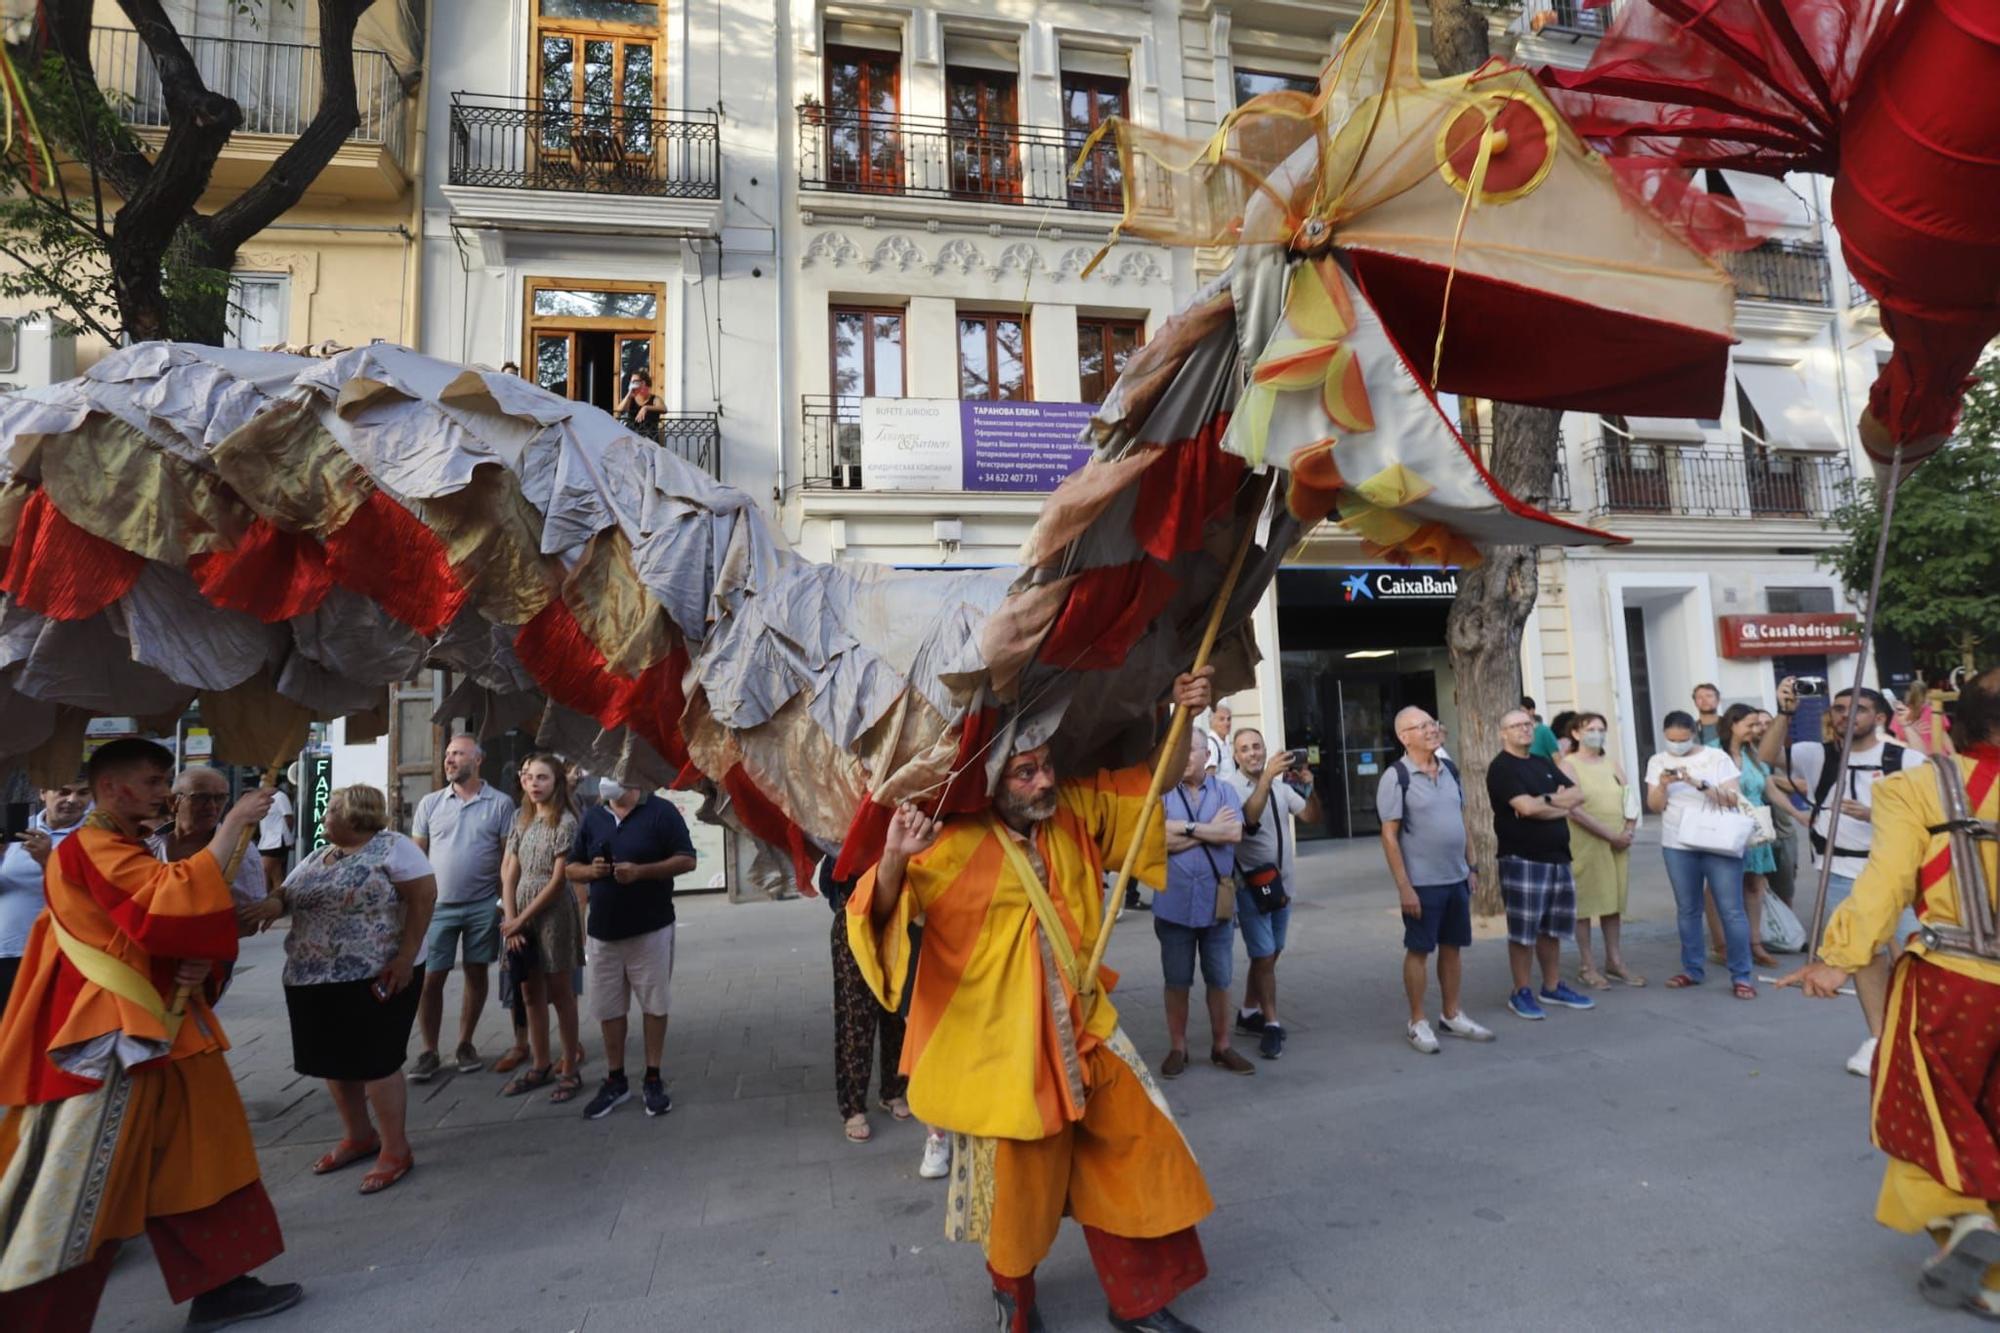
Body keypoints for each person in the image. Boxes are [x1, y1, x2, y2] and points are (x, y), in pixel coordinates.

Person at [847, 669, 1217, 1333]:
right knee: (1018, 1195)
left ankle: (1138, 1300)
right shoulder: (950, 842)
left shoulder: (1072, 807)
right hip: (1003, 1052)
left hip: (1087, 1028)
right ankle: (1014, 1305)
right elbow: (877, 915)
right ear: (992, 781)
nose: (1043, 780)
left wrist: (1185, 713)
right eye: (1025, 772)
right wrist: (897, 859)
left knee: (1139, 1149)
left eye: (1045, 765)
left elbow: (1155, 781)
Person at [0, 739, 300, 1331]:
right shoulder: (92, 845)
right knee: (77, 1177)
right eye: (156, 780)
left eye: (167, 780)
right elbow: (164, 903)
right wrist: (236, 821)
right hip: (110, 1038)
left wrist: (192, 961)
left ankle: (223, 1283)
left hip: (158, 1026)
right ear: (114, 788)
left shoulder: (119, 843)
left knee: (201, 1151)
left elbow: (151, 924)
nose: (166, 792)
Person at [1778, 668, 2000, 1318]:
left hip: (1953, 983)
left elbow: (1886, 881)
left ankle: (1965, 1221)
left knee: (1921, 1104)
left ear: (1955, 719)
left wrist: (1839, 958)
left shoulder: (1916, 785)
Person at [271, 785, 435, 1196]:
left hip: (375, 972)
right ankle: (359, 1136)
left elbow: (423, 897)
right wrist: (267, 907)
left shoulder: (392, 847)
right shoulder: (317, 855)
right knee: (334, 1060)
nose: (324, 814)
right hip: (313, 975)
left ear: (357, 813)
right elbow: (286, 895)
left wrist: (405, 956)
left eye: (332, 808)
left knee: (376, 1061)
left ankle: (396, 1149)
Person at [1757, 679, 1925, 1073]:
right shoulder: (1817, 754)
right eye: (1839, 708)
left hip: (1892, 873)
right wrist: (1785, 712)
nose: (1846, 715)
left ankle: (1918, 1033)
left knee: (1912, 956)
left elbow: (1929, 806)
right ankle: (1879, 1038)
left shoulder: (1902, 759)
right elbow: (1767, 754)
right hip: (1839, 872)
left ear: (1879, 717)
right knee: (1863, 956)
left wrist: (1875, 814)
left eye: (1858, 709)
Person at [567, 780, 696, 1120]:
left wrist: (641, 872)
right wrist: (590, 872)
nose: (605, 779)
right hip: (603, 932)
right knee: (608, 1008)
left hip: (650, 928)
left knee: (654, 1003)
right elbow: (571, 866)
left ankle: (653, 1075)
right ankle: (616, 1078)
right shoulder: (593, 816)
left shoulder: (660, 812)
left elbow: (686, 860)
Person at [1377, 707, 1496, 1052]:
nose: (1432, 730)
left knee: (1453, 948)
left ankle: (1452, 1013)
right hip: (1422, 884)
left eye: (1432, 723)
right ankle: (1417, 1021)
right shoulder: (1396, 777)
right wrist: (1404, 887)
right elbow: (1389, 836)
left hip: (1455, 878)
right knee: (1419, 950)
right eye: (1422, 726)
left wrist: (1471, 867)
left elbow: (1462, 820)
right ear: (1405, 736)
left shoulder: (1449, 769)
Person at [409, 734, 517, 1082]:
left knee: (475, 972)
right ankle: (428, 1050)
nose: (449, 760)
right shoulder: (430, 804)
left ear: (477, 760)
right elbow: (416, 859)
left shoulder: (500, 804)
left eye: (458, 754)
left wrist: (505, 905)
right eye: (448, 754)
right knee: (431, 978)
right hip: (438, 906)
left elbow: (507, 859)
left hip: (483, 904)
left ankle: (465, 1043)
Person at [1157, 723, 1254, 1077]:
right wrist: (1205, 830)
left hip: (1217, 904)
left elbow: (1233, 832)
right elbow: (1156, 839)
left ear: (1206, 755)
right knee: (1176, 979)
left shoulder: (1225, 791)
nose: (1181, 756)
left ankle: (1222, 1046)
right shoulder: (1162, 793)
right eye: (1177, 749)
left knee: (1220, 978)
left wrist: (1183, 828)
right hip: (1173, 903)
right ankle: (1178, 1048)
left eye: (1190, 749)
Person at [1487, 709, 1597, 1020]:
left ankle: (1552, 985)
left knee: (1552, 928)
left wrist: (1544, 803)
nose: (1524, 729)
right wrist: (1554, 804)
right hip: (1522, 859)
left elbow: (1577, 795)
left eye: (1527, 724)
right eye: (1515, 726)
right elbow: (1524, 807)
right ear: (1502, 733)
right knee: (1524, 931)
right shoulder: (1502, 768)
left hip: (1558, 856)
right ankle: (1520, 990)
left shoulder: (1541, 762)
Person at [1226, 727, 1322, 1059]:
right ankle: (1271, 1023)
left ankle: (1248, 1012)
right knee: (1265, 955)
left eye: (1257, 746)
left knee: (1270, 952)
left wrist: (1308, 786)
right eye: (1245, 749)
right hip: (1252, 887)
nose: (1252, 753)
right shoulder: (1231, 788)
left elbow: (1311, 816)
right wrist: (1266, 777)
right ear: (1235, 756)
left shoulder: (1282, 787)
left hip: (1283, 887)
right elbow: (1249, 820)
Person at [499, 754, 587, 1102]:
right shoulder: (521, 820)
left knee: (560, 991)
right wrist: (512, 920)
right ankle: (540, 1062)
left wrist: (523, 917)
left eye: (543, 778)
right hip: (519, 913)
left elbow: (556, 880)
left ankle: (569, 1066)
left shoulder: (564, 821)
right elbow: (508, 873)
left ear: (556, 783)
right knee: (529, 991)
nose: (534, 783)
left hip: (552, 913)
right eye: (529, 777)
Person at [1648, 709, 1754, 998]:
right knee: (1687, 909)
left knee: (1731, 909)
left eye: (1682, 739)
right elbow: (1655, 806)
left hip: (1719, 841)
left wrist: (1697, 782)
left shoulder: (1716, 757)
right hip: (1677, 842)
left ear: (1693, 733)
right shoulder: (1658, 761)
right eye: (1671, 740)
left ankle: (1741, 974)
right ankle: (1692, 968)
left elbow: (1732, 799)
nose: (1677, 745)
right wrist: (1663, 785)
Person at [820, 857, 910, 1143]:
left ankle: (893, 1090)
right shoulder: (844, 832)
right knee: (855, 1014)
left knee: (896, 1008)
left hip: (900, 916)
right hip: (855, 916)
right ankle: (853, 1107)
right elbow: (829, 881)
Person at [1558, 712, 1643, 989]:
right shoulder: (1568, 765)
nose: (1597, 733)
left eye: (1601, 729)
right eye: (1590, 729)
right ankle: (1587, 965)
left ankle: (1614, 960)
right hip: (1587, 841)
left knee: (1612, 902)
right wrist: (1609, 835)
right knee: (1585, 903)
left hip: (1618, 840)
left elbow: (1629, 796)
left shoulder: (1611, 763)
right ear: (1576, 734)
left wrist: (1628, 829)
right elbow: (1572, 809)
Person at [149, 766, 275, 933]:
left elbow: (250, 923)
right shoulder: (148, 845)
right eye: (201, 797)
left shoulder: (240, 849)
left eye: (220, 798)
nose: (212, 806)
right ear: (173, 802)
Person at [0, 778, 89, 1011]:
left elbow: (88, 894)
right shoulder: (16, 829)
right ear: (42, 793)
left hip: (61, 953)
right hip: (8, 950)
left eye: (82, 793)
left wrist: (48, 861)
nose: (72, 800)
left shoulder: (94, 835)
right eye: (63, 791)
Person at [1712, 704, 1780, 969]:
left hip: (1755, 824)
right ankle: (1723, 944)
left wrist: (1800, 816)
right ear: (1733, 724)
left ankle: (1755, 943)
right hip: (1724, 823)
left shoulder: (1754, 753)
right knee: (1723, 887)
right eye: (1750, 725)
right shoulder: (1713, 751)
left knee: (1754, 885)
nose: (1755, 730)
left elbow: (1770, 790)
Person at [258, 777, 296, 893]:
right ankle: (279, 898)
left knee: (264, 871)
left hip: (277, 840)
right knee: (276, 874)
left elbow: (288, 817)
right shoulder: (264, 800)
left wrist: (288, 837)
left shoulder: (280, 797)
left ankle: (262, 899)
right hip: (266, 841)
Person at [1521, 696, 1561, 760]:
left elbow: (1557, 757)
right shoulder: (1517, 733)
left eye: (1522, 711)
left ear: (1531, 711)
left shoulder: (1544, 731)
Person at [1204, 703, 1235, 780]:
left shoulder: (1225, 744)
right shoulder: (1211, 744)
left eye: (1229, 719)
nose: (1227, 723)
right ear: (1212, 722)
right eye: (1222, 719)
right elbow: (1209, 777)